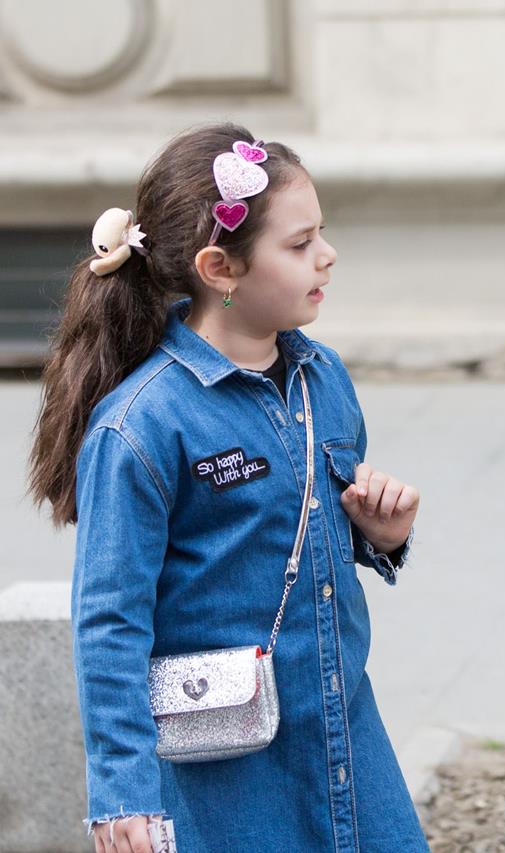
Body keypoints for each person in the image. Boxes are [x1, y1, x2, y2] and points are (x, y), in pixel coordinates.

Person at [27, 122, 430, 853]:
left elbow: (314, 533)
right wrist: (123, 793)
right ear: (220, 268)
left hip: (344, 734)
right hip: (223, 770)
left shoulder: (324, 378)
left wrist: (381, 535)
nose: (327, 255)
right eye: (299, 244)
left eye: (322, 233)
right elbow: (110, 621)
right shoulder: (140, 427)